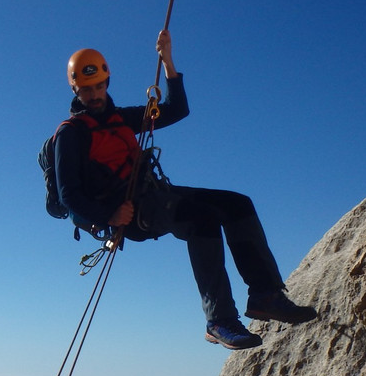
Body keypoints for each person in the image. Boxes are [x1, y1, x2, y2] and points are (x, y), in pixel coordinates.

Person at [54, 31, 317, 349]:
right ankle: (220, 318)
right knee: (199, 218)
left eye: (98, 87)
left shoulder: (122, 118)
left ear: (107, 83)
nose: (94, 95)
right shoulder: (72, 135)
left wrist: (168, 61)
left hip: (156, 195)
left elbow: (177, 109)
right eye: (86, 90)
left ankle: (265, 295)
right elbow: (69, 195)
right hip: (130, 213)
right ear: (75, 89)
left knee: (237, 204)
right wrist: (109, 214)